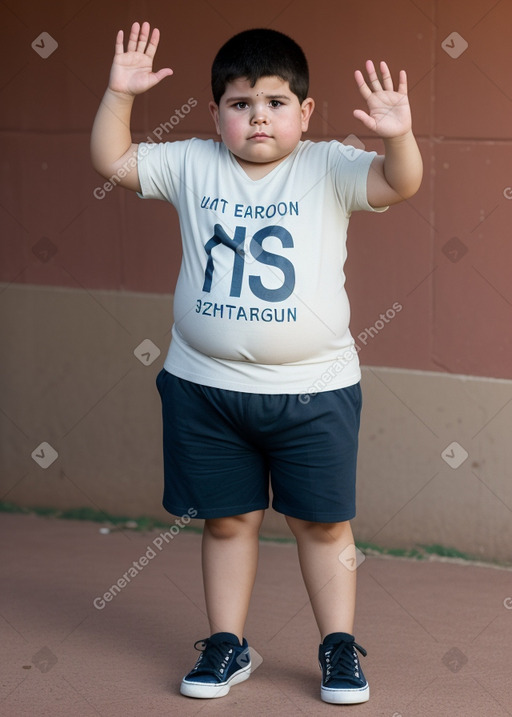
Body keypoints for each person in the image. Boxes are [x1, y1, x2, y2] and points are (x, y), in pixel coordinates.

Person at [91, 21, 422, 705]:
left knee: (324, 523)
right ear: (215, 115)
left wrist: (397, 134)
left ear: (304, 112)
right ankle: (226, 641)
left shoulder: (328, 165)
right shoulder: (191, 162)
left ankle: (337, 644)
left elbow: (400, 182)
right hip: (205, 388)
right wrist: (118, 94)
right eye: (240, 104)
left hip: (314, 390)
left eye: (275, 102)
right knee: (227, 518)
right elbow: (112, 161)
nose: (258, 117)